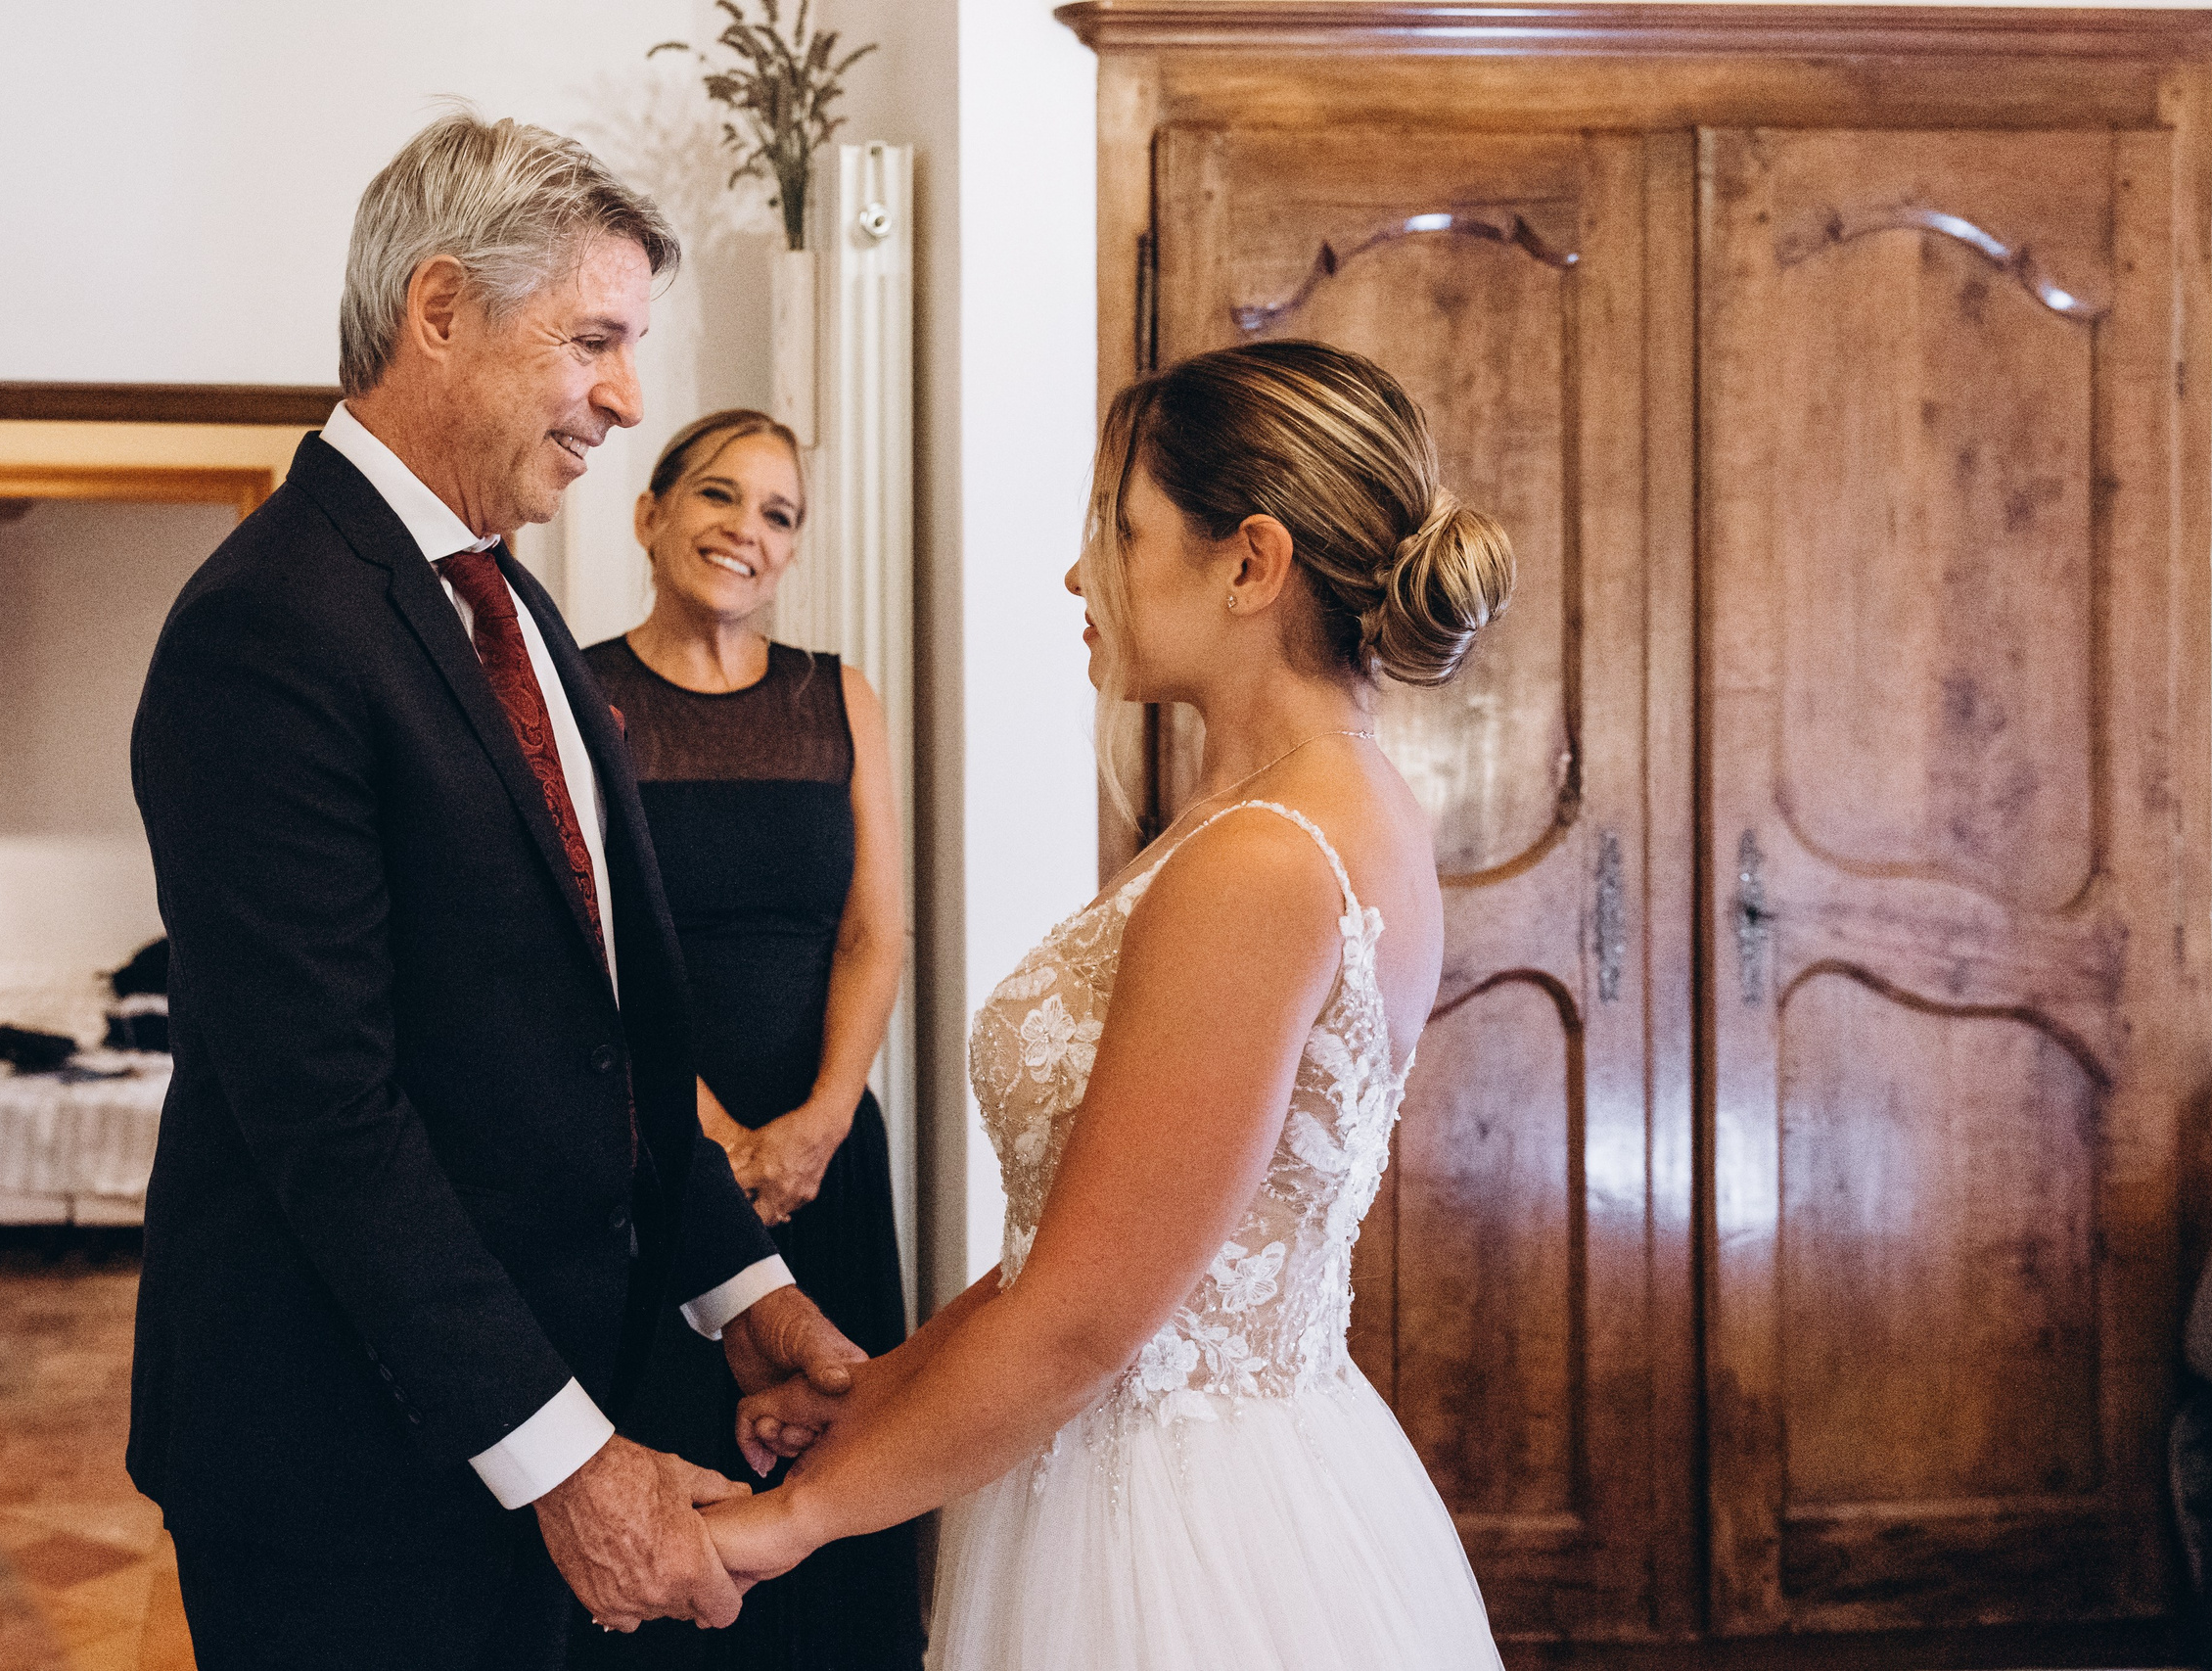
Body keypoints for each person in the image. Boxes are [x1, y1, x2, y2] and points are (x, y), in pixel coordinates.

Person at [127, 110, 863, 1670]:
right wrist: (566, 1459)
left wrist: (747, 1289)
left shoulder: (508, 596)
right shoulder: (264, 625)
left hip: (530, 1413)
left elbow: (596, 1035)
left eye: (633, 345)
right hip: (341, 1463)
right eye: (593, 338)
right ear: (441, 306)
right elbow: (327, 1105)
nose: (627, 398)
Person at [707, 339, 1516, 1669]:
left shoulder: (1264, 860)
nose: (1082, 572)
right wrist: (870, 1395)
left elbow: (1081, 1321)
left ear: (1250, 562)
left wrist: (787, 1521)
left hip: (1184, 1537)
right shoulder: (1299, 812)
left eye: (1116, 527)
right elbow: (1081, 1250)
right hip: (1176, 1454)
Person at [570, 411, 921, 1669]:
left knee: (836, 1455)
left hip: (825, 1153)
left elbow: (876, 934)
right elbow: (589, 949)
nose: (746, 531)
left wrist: (822, 1119)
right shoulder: (581, 695)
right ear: (649, 512)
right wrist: (708, 1135)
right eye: (718, 496)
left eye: (778, 514)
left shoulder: (840, 696)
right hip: (651, 1151)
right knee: (668, 1472)